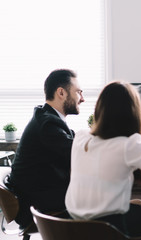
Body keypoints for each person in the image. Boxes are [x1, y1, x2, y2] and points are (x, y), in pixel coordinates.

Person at [65, 81, 141, 237]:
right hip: (107, 229)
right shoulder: (128, 145)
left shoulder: (81, 137)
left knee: (140, 204)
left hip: (74, 224)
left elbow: (107, 161)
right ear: (133, 112)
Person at [6, 69, 85, 229]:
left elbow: (73, 142)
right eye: (78, 92)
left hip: (37, 196)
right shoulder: (48, 124)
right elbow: (77, 154)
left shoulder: (47, 118)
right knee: (97, 200)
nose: (82, 99)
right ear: (61, 92)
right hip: (35, 206)